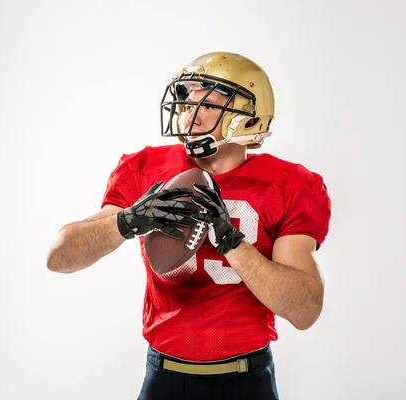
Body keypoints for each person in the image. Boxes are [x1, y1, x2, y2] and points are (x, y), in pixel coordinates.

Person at [46, 52, 331, 400]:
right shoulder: (146, 169)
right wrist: (127, 221)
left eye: (207, 103)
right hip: (164, 375)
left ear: (249, 117)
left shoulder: (290, 184)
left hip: (246, 378)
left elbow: (305, 310)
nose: (189, 115)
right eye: (185, 101)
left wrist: (233, 244)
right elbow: (58, 257)